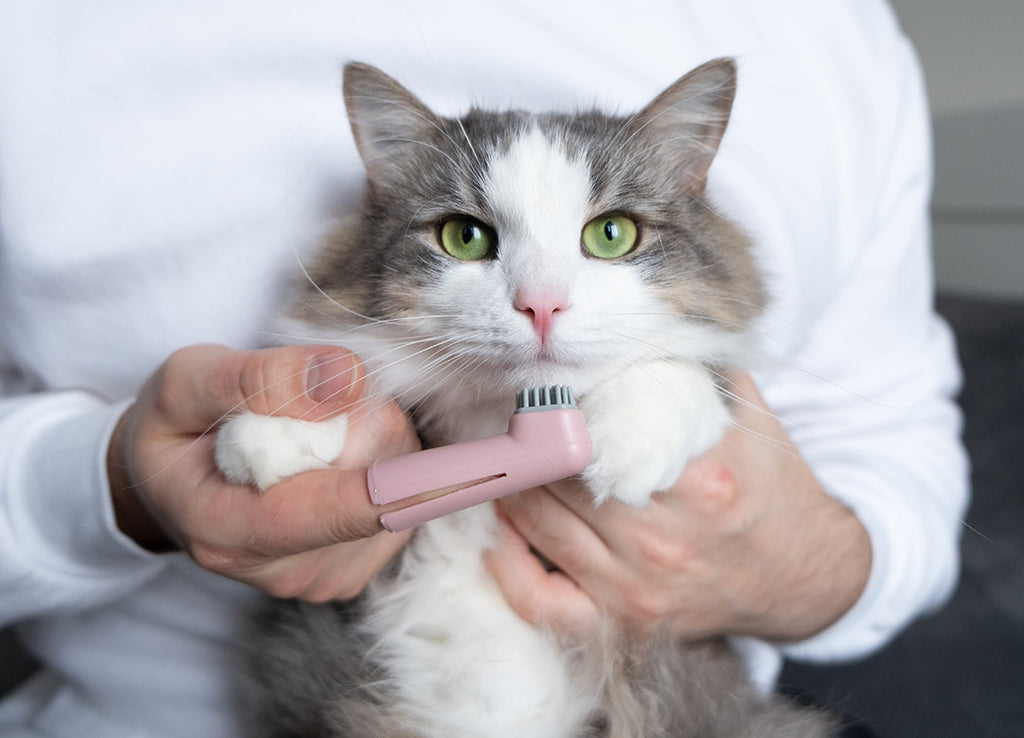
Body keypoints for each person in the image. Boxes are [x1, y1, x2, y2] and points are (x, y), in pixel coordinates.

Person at [0, 1, 968, 735]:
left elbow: (892, 438)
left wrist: (799, 566)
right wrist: (114, 486)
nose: (540, 298)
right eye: (468, 234)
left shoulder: (828, 30)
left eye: (613, 232)